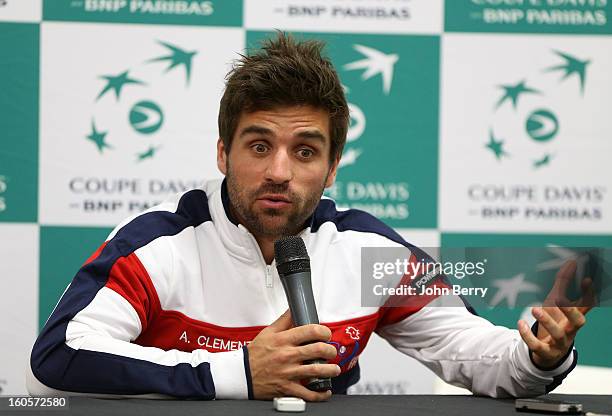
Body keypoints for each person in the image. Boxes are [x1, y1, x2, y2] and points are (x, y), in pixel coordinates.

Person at [27, 33, 590, 401]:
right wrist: (239, 374)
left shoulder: (367, 251)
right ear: (222, 153)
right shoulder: (159, 244)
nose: (279, 172)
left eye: (304, 151)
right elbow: (63, 353)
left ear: (332, 167)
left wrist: (538, 355)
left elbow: (470, 352)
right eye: (257, 146)